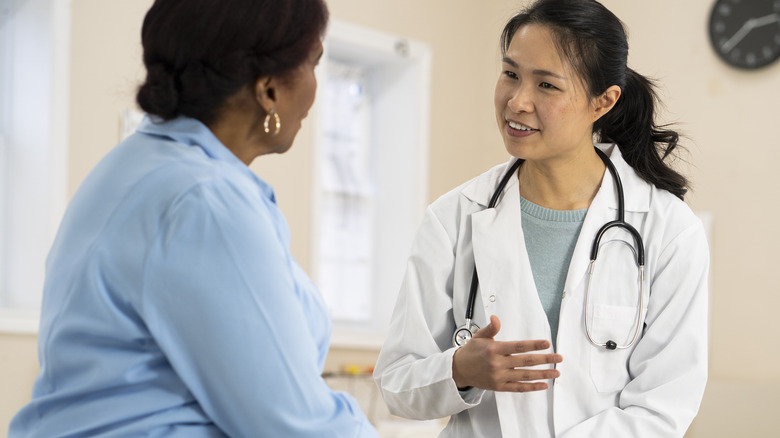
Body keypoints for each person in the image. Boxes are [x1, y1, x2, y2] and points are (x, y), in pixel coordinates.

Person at [9, 0, 378, 436]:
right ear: (269, 90)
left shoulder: (135, 166)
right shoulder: (205, 202)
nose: (316, 88)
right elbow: (293, 424)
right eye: (314, 64)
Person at [373, 0, 709, 436]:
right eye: (510, 74)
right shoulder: (454, 217)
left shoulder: (668, 230)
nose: (517, 101)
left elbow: (663, 404)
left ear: (603, 102)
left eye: (547, 86)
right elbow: (396, 382)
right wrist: (459, 369)